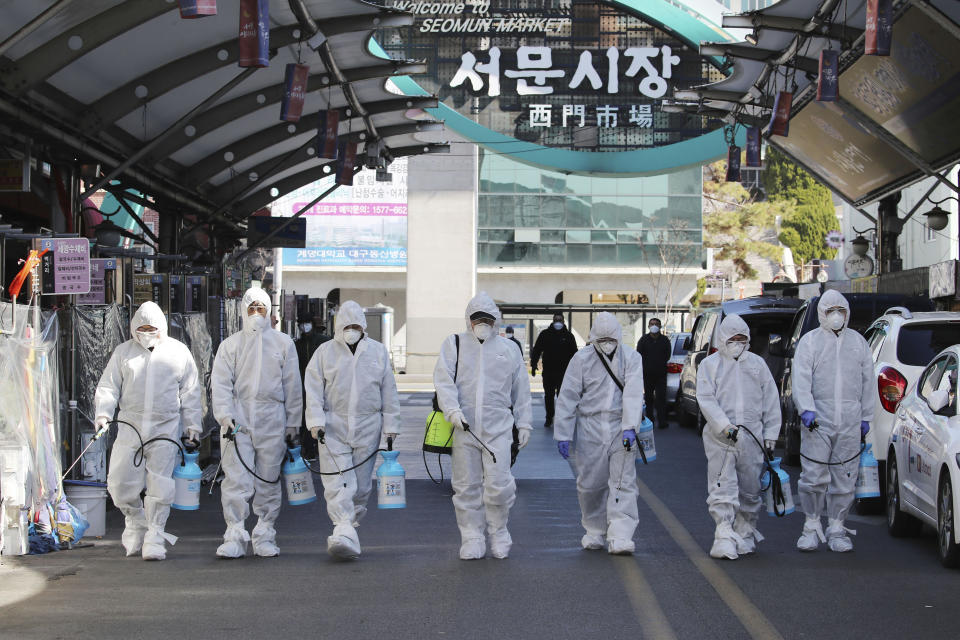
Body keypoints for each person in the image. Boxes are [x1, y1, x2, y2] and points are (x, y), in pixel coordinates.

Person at [94, 301, 202, 561]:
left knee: (160, 483)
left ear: (161, 327)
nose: (146, 332)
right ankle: (135, 520)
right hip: (131, 425)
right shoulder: (124, 353)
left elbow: (191, 392)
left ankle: (155, 533)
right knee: (119, 482)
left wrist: (192, 426)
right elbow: (109, 386)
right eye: (141, 328)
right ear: (133, 328)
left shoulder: (178, 352)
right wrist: (103, 414)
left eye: (151, 327)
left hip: (165, 426)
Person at [434, 292, 533, 560]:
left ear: (496, 320)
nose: (482, 323)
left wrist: (524, 423)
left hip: (498, 427)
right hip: (464, 428)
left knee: (499, 484)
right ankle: (472, 537)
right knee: (466, 486)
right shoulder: (453, 344)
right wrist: (453, 411)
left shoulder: (508, 349)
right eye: (477, 318)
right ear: (468, 319)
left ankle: (499, 532)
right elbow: (443, 381)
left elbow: (521, 389)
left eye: (487, 318)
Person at [305, 301, 401, 559]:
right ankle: (342, 528)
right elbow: (313, 389)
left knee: (360, 486)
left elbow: (388, 391)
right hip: (333, 425)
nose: (352, 330)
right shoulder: (325, 352)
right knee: (337, 481)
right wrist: (315, 421)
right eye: (347, 326)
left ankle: (349, 526)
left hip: (368, 426)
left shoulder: (378, 352)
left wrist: (391, 426)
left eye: (356, 325)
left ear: (363, 326)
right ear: (338, 327)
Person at [212, 287, 303, 559]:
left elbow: (293, 386)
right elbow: (220, 385)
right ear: (243, 311)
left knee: (268, 478)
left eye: (260, 308)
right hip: (238, 420)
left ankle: (264, 533)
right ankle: (235, 534)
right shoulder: (230, 345)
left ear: (269, 311)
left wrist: (293, 424)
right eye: (251, 308)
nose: (255, 313)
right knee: (236, 479)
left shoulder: (284, 344)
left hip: (272, 419)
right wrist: (225, 416)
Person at [554, 312, 644, 555]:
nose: (607, 343)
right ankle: (594, 529)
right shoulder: (581, 359)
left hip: (620, 428)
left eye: (610, 338)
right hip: (590, 427)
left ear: (618, 337)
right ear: (593, 338)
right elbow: (568, 396)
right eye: (601, 338)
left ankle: (621, 535)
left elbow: (634, 393)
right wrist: (563, 432)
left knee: (623, 483)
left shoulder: (631, 358)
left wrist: (630, 426)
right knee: (590, 484)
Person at [792, 289, 874, 553]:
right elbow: (801, 378)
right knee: (813, 476)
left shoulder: (858, 343)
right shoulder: (810, 342)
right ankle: (811, 525)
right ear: (822, 313)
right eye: (831, 311)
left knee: (845, 477)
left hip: (850, 421)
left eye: (841, 310)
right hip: (818, 420)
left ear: (847, 313)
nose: (837, 315)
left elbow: (868, 382)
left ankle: (837, 527)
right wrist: (806, 409)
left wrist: (866, 416)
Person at [696, 314, 781, 560]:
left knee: (750, 488)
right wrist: (723, 426)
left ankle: (744, 532)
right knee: (723, 485)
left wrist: (771, 433)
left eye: (742, 339)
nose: (737, 343)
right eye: (732, 339)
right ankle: (723, 534)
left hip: (752, 436)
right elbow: (706, 399)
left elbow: (771, 400)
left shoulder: (757, 364)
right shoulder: (710, 365)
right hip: (720, 438)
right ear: (722, 339)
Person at [531, 313, 578, 428]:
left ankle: (562, 418)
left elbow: (575, 355)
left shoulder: (568, 336)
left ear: (563, 321)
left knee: (562, 396)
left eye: (560, 320)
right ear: (553, 320)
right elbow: (537, 350)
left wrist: (577, 371)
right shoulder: (545, 335)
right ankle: (549, 417)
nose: (558, 322)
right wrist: (533, 365)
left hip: (564, 373)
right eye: (556, 320)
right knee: (549, 396)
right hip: (548, 372)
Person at [636, 317, 671, 429]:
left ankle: (662, 421)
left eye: (656, 324)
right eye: (652, 324)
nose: (654, 326)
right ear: (649, 326)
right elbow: (639, 356)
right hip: (647, 374)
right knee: (649, 398)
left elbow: (667, 355)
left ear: (660, 326)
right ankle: (650, 419)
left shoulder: (665, 340)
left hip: (661, 374)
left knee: (661, 398)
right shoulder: (643, 340)